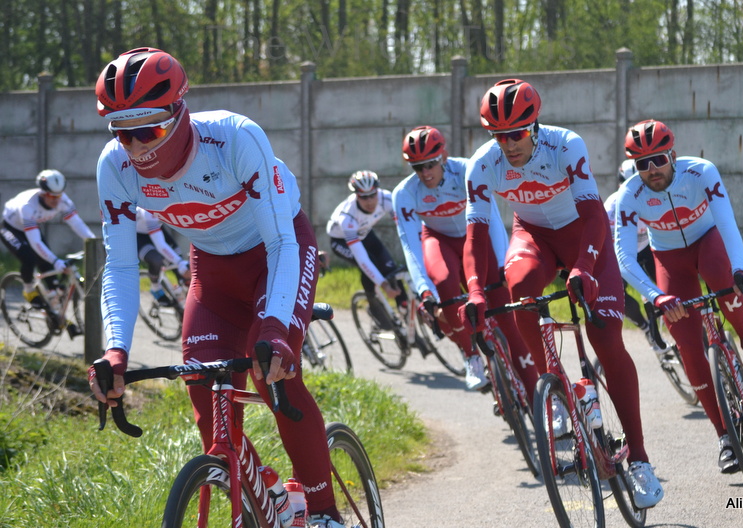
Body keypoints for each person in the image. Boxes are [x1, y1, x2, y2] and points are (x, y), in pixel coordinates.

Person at [87, 48, 343, 527]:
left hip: (277, 255)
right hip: (213, 274)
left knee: (274, 376)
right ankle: (261, 491)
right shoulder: (114, 167)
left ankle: (325, 510)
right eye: (123, 133)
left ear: (180, 112)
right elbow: (121, 264)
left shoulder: (234, 138)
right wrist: (116, 350)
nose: (136, 148)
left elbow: (282, 241)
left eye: (148, 130)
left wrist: (275, 326)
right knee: (207, 398)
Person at [460, 78, 664, 509]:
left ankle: (641, 460)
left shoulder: (564, 145)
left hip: (583, 239)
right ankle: (553, 390)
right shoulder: (482, 165)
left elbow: (593, 216)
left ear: (533, 126)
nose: (508, 144)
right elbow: (475, 237)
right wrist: (475, 291)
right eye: (498, 136)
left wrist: (584, 267)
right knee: (518, 288)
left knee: (605, 339)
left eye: (516, 133)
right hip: (532, 236)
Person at [614, 119, 743, 474]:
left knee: (723, 279)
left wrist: (740, 269)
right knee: (687, 343)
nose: (652, 169)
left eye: (658, 159)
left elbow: (728, 222)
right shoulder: (630, 195)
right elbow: (624, 256)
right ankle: (724, 437)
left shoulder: (701, 172)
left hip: (708, 242)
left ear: (672, 154)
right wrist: (655, 296)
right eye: (642, 164)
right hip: (669, 259)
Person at [393, 125, 536, 392]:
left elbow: (491, 219)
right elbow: (410, 246)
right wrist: (424, 289)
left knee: (506, 314)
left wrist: (504, 265)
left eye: (430, 164)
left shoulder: (468, 170)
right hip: (439, 239)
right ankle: (471, 355)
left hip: (475, 237)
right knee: (445, 285)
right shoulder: (405, 193)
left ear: (443, 157)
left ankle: (538, 397)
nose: (425, 173)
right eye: (417, 167)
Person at [1, 169, 96, 310]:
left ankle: (55, 314)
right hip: (11, 228)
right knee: (29, 257)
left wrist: (95, 242)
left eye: (58, 196)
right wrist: (56, 260)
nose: (56, 200)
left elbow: (77, 224)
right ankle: (28, 290)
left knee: (50, 272)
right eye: (51, 197)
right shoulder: (28, 206)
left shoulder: (63, 201)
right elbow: (35, 242)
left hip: (31, 227)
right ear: (42, 193)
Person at [326, 170, 408, 324]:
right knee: (370, 263)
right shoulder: (347, 217)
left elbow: (404, 226)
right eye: (364, 197)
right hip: (341, 240)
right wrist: (383, 285)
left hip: (365, 233)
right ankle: (374, 305)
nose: (370, 201)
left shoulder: (387, 199)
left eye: (372, 195)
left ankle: (404, 306)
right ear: (356, 195)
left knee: (390, 267)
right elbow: (362, 258)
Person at [604, 159, 666, 352]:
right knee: (617, 296)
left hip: (647, 247)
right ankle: (644, 326)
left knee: (662, 285)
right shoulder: (611, 207)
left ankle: (661, 326)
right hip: (620, 252)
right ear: (619, 184)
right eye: (626, 182)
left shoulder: (653, 197)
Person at [135, 206, 191, 306]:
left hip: (157, 228)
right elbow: (160, 244)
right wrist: (178, 262)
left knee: (179, 257)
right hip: (139, 236)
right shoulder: (148, 210)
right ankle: (156, 288)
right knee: (156, 260)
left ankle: (183, 296)